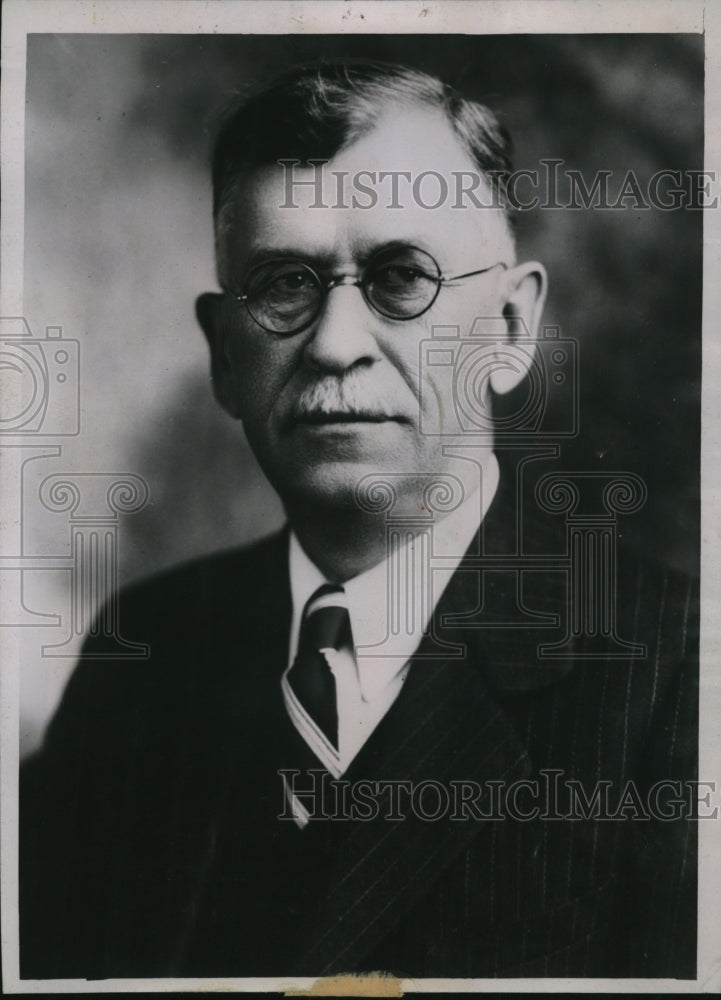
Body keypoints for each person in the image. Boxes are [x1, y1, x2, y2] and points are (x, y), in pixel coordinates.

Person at [20, 59, 697, 980]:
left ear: (508, 329)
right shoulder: (141, 659)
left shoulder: (680, 681)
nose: (336, 344)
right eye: (284, 286)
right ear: (225, 356)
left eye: (398, 277)